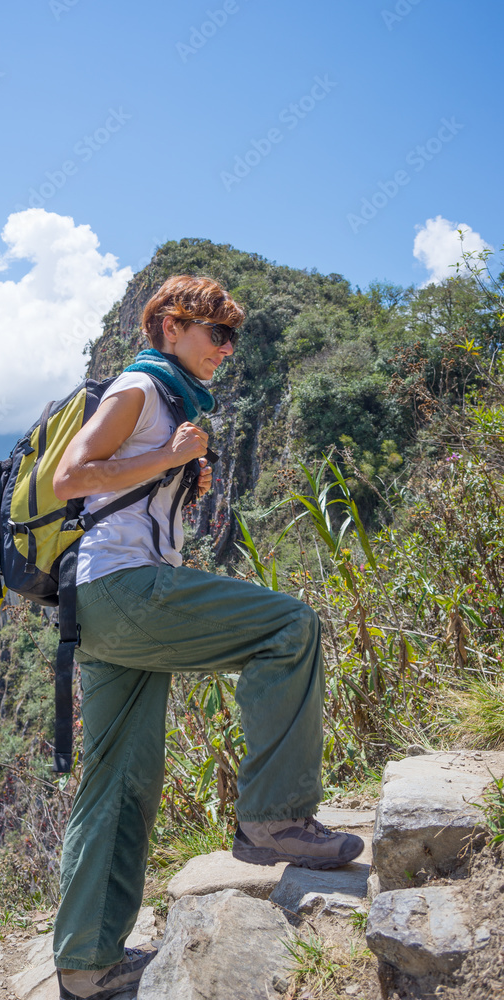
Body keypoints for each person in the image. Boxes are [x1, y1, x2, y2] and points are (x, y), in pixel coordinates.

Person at [51, 275, 364, 1000]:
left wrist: (176, 473)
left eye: (230, 335)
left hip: (98, 608)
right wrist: (168, 458)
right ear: (169, 326)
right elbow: (69, 476)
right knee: (289, 626)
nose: (225, 348)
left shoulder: (173, 402)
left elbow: (114, 490)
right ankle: (276, 820)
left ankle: (87, 964)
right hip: (122, 590)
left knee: (119, 782)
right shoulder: (139, 388)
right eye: (213, 332)